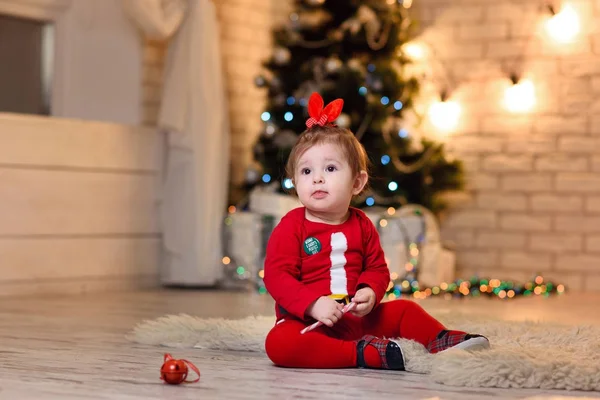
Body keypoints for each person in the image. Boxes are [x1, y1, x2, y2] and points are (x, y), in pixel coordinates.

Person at [263, 93, 489, 370]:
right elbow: (277, 276)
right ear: (296, 181)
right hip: (310, 321)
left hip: (356, 316)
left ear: (357, 182)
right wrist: (312, 305)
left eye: (330, 168)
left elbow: (377, 269)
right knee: (280, 344)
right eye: (306, 171)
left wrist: (370, 291)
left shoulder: (361, 224)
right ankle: (362, 354)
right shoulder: (292, 225)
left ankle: (440, 338)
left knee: (405, 310)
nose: (317, 178)